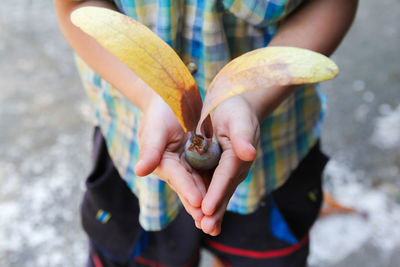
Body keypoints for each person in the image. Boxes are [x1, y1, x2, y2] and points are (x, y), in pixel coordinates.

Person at [54, 0, 358, 266]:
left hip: (272, 159)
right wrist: (149, 95)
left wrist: (253, 101)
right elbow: (77, 7)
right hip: (132, 156)